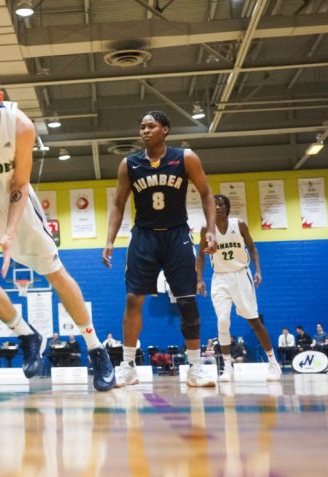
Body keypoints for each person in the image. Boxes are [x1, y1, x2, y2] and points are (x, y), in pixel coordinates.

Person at [0, 59, 114, 391]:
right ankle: (27, 334)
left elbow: (19, 184)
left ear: (0, 98)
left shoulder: (20, 126)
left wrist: (11, 232)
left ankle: (96, 348)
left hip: (15, 204)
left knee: (56, 273)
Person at [103, 110, 217, 388]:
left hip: (177, 236)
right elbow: (118, 203)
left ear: (165, 129)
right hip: (143, 237)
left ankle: (195, 368)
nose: (144, 131)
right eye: (142, 126)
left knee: (187, 301)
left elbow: (207, 194)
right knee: (133, 299)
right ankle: (127, 366)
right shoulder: (129, 164)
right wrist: (109, 239)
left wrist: (211, 230)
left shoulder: (185, 158)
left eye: (151, 126)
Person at [196, 194, 281, 381]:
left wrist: (257, 270)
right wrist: (200, 279)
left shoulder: (239, 224)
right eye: (214, 205)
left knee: (254, 321)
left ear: (227, 208)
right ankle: (227, 367)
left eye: (220, 205)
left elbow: (252, 247)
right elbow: (200, 255)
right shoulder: (206, 230)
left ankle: (273, 363)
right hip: (220, 278)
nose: (217, 207)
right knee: (223, 321)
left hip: (241, 274)